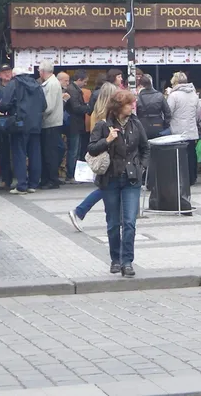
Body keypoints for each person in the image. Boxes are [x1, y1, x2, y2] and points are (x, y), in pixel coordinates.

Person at [87, 89, 150, 277]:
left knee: (129, 222)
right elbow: (91, 149)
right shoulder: (103, 125)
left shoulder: (136, 124)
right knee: (113, 223)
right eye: (128, 104)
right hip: (110, 179)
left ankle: (127, 261)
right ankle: (115, 259)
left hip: (131, 179)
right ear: (117, 107)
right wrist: (107, 140)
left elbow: (145, 148)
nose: (132, 107)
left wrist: (141, 167)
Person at [68, 82, 118, 232]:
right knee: (106, 188)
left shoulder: (97, 112)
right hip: (107, 158)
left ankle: (82, 211)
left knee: (107, 189)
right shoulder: (106, 118)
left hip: (103, 157)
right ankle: (79, 211)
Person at [1, 67, 46, 195]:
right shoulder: (37, 85)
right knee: (35, 154)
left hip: (20, 124)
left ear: (15, 74)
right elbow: (44, 105)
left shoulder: (14, 84)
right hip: (36, 124)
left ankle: (21, 185)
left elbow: (4, 104)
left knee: (19, 154)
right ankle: (33, 184)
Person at [167, 72, 201, 185]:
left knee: (179, 155)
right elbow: (199, 113)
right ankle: (192, 177)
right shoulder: (194, 95)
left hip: (177, 131)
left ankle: (181, 177)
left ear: (175, 82)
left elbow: (168, 112)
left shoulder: (173, 96)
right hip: (191, 129)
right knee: (191, 153)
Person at [38, 60, 64, 189]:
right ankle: (47, 179)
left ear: (42, 72)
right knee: (48, 152)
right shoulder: (51, 83)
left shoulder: (52, 84)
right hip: (50, 122)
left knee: (50, 153)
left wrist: (38, 113)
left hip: (51, 123)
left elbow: (49, 106)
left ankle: (52, 180)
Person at [62, 70, 90, 183]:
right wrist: (88, 108)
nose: (85, 84)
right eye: (85, 81)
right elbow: (76, 108)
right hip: (74, 124)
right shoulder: (73, 91)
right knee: (74, 150)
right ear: (79, 80)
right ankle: (71, 175)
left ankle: (72, 174)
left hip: (74, 124)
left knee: (75, 150)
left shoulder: (74, 89)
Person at [0, 65, 14, 190]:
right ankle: (6, 179)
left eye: (9, 71)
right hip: (0, 123)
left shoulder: (16, 86)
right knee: (4, 152)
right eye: (4, 72)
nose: (7, 74)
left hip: (14, 122)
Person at [136, 74, 171, 139]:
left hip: (143, 126)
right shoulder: (160, 95)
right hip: (158, 124)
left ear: (141, 86)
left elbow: (135, 113)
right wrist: (165, 124)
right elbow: (167, 112)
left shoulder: (138, 98)